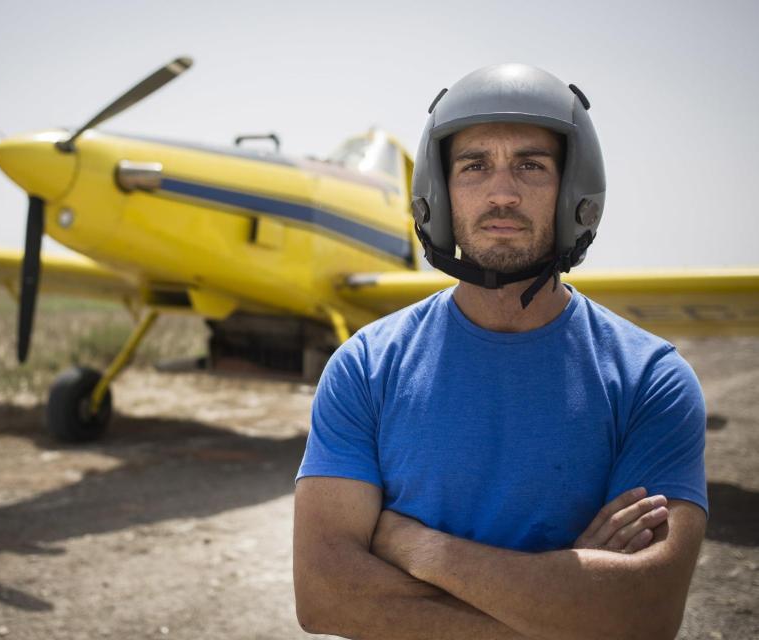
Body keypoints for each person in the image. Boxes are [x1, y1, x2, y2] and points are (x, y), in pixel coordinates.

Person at [293, 64, 707, 640]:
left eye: (531, 166)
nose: (503, 193)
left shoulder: (651, 379)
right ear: (439, 192)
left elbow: (644, 614)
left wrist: (416, 547)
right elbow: (325, 597)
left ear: (573, 189)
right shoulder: (365, 367)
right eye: (474, 166)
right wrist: (567, 606)